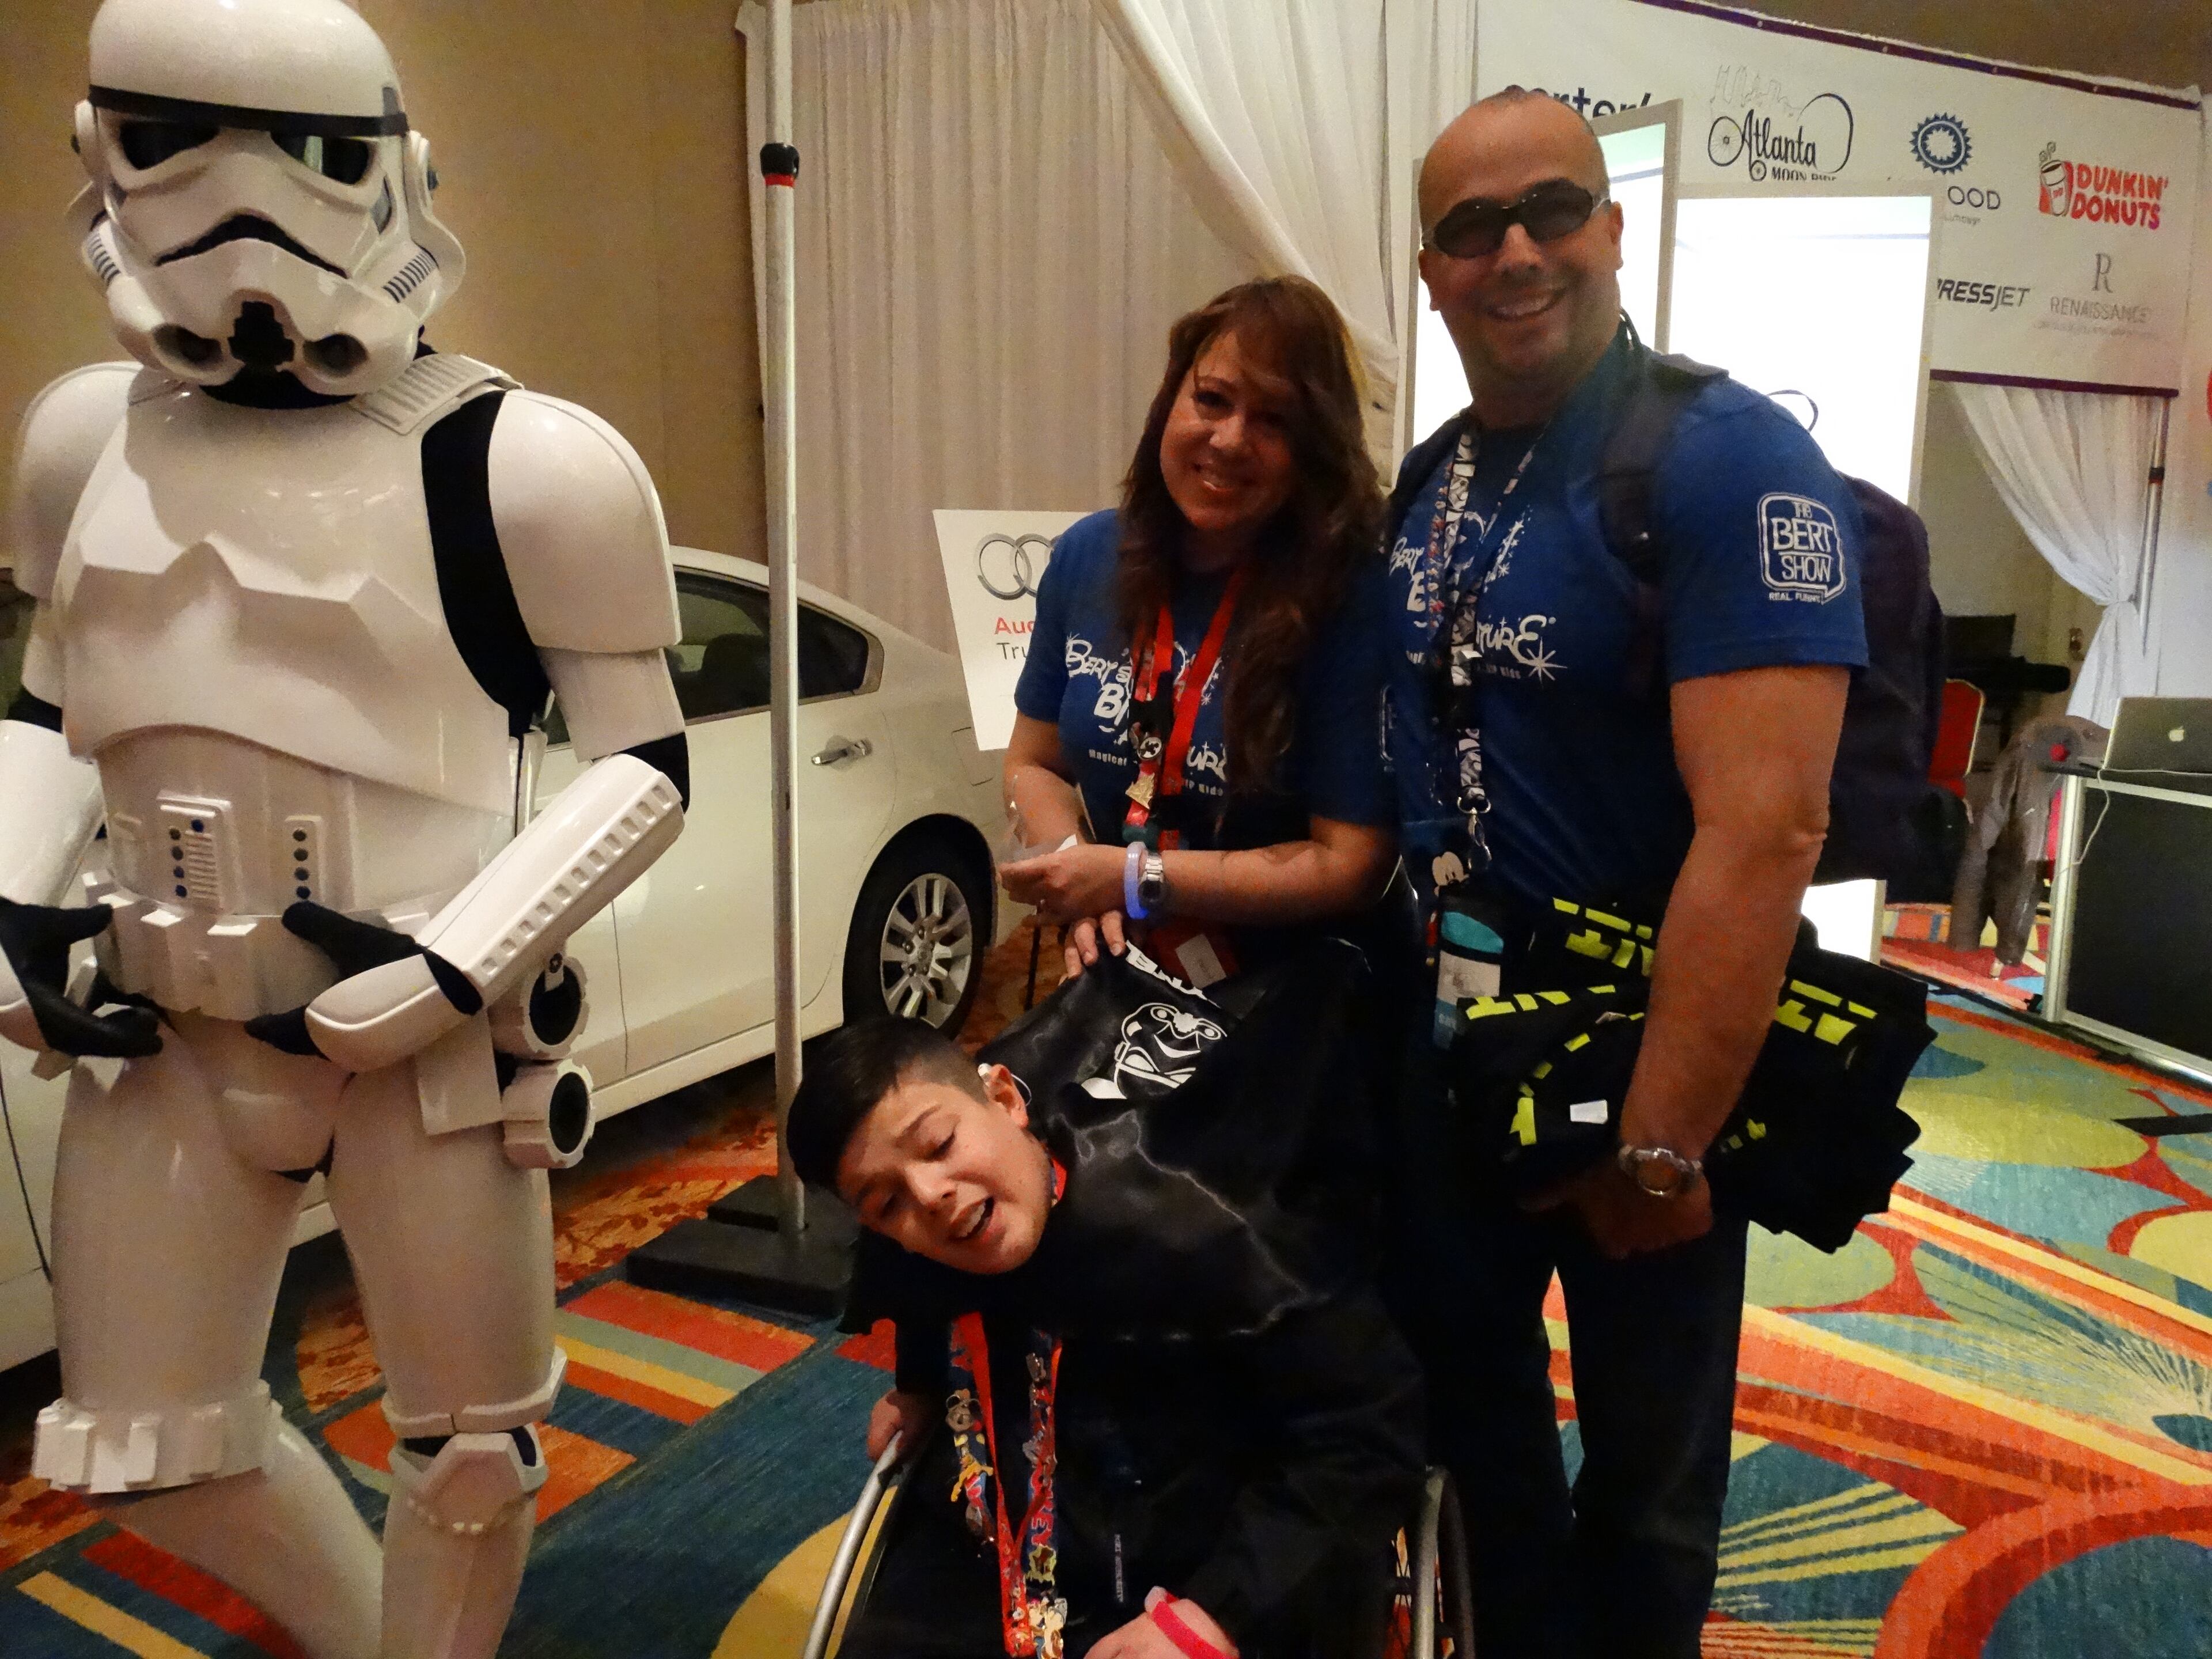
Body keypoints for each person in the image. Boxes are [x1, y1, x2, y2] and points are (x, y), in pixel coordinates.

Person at [0, 3, 691, 1655]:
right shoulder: (82, 437)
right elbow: (46, 704)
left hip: (429, 1042)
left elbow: (645, 762)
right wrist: (13, 903)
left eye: (312, 156)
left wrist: (455, 965)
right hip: (162, 1021)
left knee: (472, 1446)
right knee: (146, 1442)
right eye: (175, 146)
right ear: (104, 155)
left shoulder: (528, 464)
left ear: (393, 172)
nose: (248, 209)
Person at [1376, 90, 1868, 1658]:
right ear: (1432, 269)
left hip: (1644, 1066)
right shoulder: (1432, 480)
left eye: (1550, 212)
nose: (1515, 251)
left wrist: (1660, 1143)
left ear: (1611, 229)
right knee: (1474, 1425)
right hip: (1451, 1055)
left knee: (1651, 1473)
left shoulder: (1729, 461)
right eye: (1472, 227)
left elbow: (1769, 834)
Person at [787, 988, 1426, 1659]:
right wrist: (917, 1387)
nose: (931, 1197)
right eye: (888, 1204)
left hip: (1227, 1567)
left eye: (941, 1144)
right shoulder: (919, 1242)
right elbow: (910, 1287)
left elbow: (1366, 1437)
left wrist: (1213, 1617)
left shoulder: (1221, 1227)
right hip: (1023, 1556)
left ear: (1005, 1100)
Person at [1000, 276, 1397, 988]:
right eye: (1211, 399)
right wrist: (1074, 871)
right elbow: (1033, 762)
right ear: (1170, 402)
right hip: (1133, 980)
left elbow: (1353, 865)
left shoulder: (1349, 596)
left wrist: (1135, 878)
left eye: (1275, 420)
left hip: (1294, 1008)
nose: (1231, 440)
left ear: (1314, 449)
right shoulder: (1087, 556)